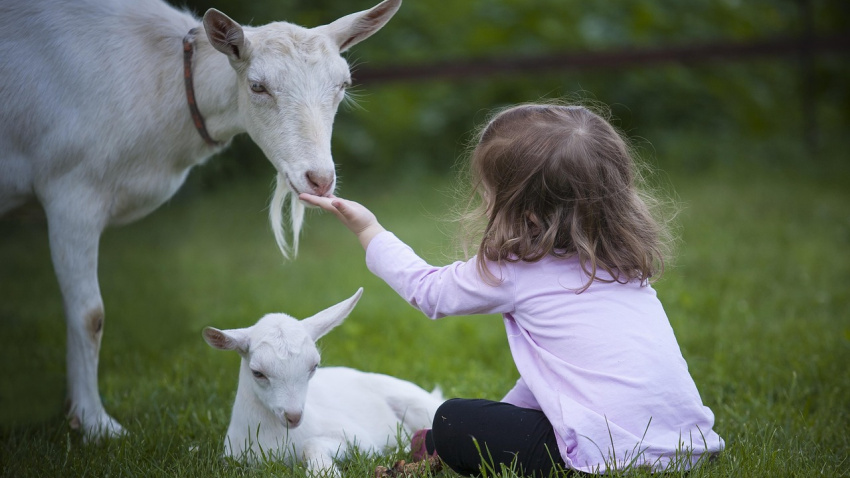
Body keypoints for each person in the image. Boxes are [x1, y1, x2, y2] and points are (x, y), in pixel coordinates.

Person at [300, 103, 724, 476]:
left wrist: (368, 229)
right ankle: (442, 445)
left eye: (489, 193)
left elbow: (428, 291)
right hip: (687, 448)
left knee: (452, 420)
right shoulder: (625, 268)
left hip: (605, 456)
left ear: (524, 211)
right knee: (470, 423)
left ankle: (439, 443)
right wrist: (502, 416)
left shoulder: (517, 270)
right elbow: (556, 381)